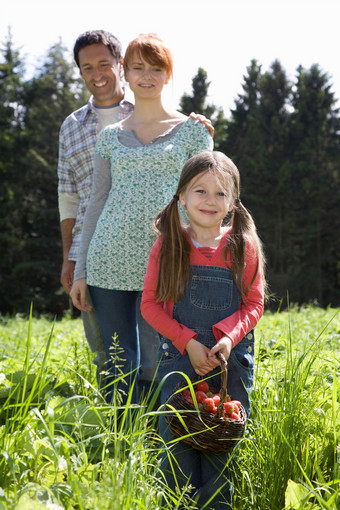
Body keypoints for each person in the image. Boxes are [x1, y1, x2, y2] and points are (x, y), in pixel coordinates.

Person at [58, 30, 212, 391]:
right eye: (139, 67)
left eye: (156, 68)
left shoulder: (193, 132)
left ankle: (158, 439)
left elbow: (206, 200)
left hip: (167, 258)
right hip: (107, 259)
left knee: (160, 358)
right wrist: (80, 270)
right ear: (127, 73)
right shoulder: (108, 136)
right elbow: (94, 203)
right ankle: (118, 441)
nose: (146, 76)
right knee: (116, 361)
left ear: (168, 76)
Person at [141, 151, 266, 509]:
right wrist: (188, 341)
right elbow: (149, 304)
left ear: (232, 203)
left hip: (230, 364)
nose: (210, 201)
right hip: (180, 359)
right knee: (176, 451)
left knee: (220, 454)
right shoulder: (169, 244)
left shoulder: (243, 246)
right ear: (181, 196)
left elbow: (253, 305)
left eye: (220, 193)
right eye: (200, 191)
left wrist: (226, 338)